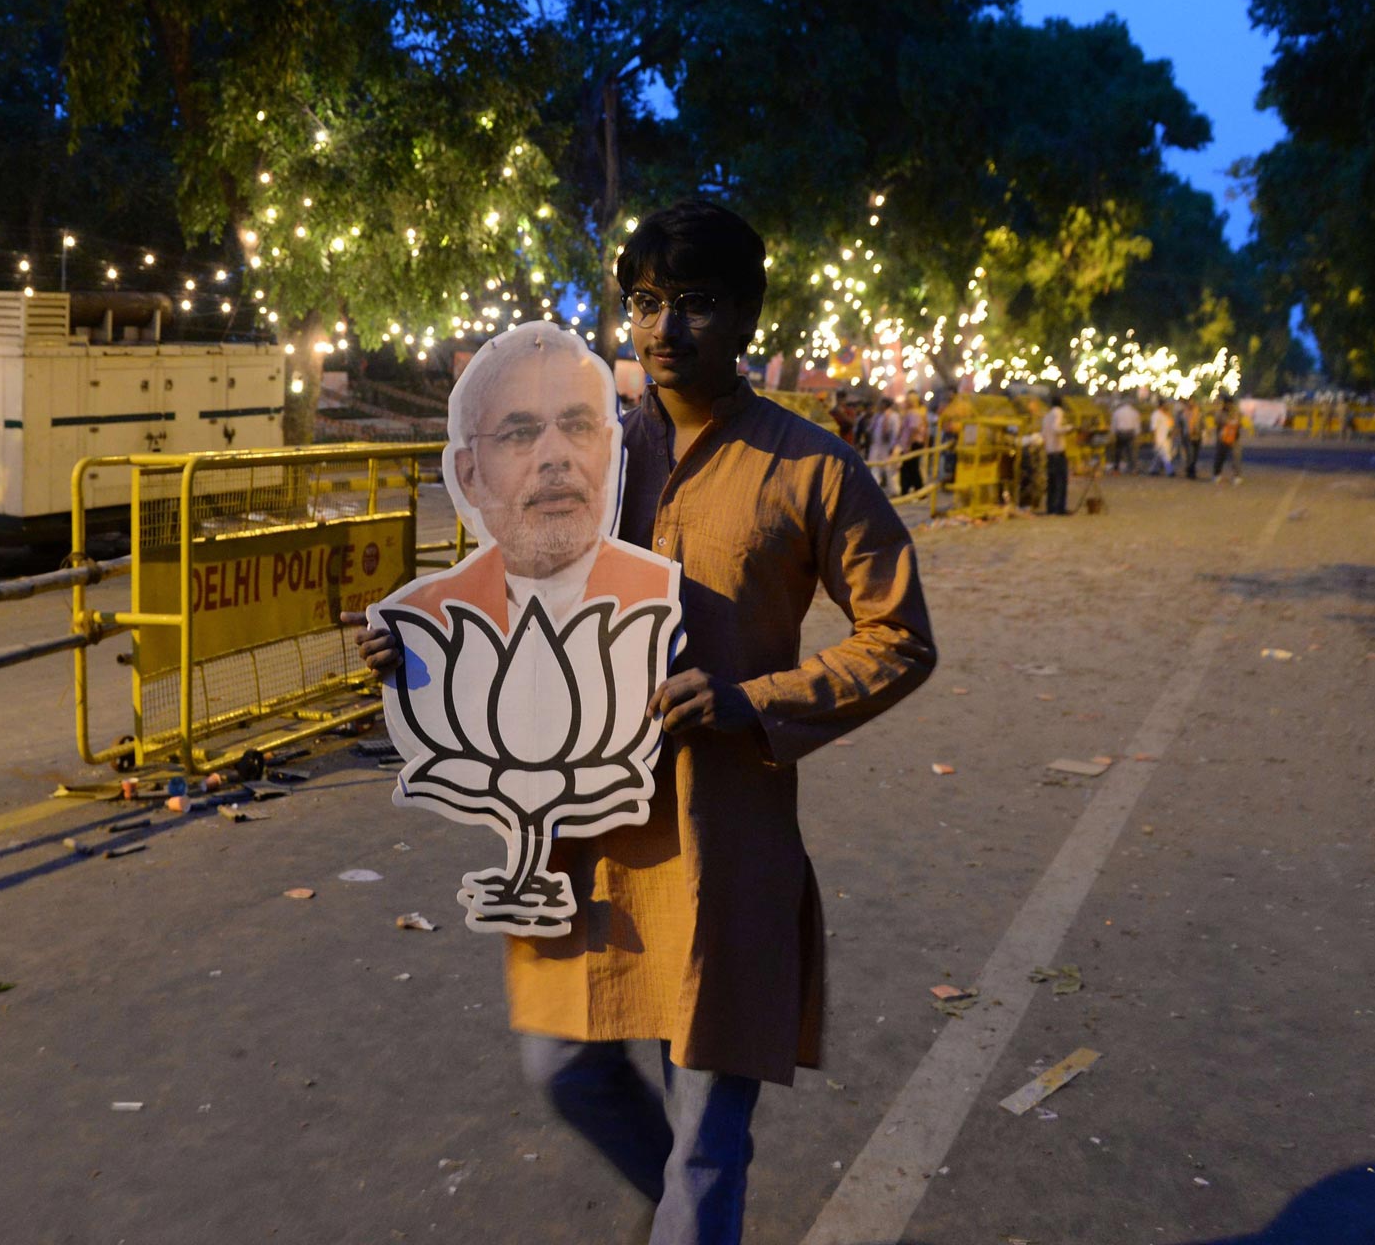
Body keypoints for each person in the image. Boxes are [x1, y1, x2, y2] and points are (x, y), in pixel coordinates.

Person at [348, 200, 936, 1245]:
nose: (663, 330)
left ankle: (689, 1214)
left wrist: (751, 701)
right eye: (645, 303)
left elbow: (899, 638)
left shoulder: (811, 469)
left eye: (695, 305)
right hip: (578, 828)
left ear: (749, 314)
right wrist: (420, 644)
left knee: (707, 1135)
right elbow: (513, 588)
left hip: (724, 839)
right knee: (563, 1064)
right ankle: (683, 1212)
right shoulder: (590, 454)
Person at [391, 321, 678, 625]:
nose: (555, 455)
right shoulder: (430, 622)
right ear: (469, 473)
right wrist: (396, 646)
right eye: (521, 433)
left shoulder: (660, 602)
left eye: (579, 427)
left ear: (608, 452)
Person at [1042, 391, 1070, 515]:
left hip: (1049, 451)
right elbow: (1056, 428)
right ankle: (1060, 508)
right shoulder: (1058, 412)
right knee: (1061, 481)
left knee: (1052, 481)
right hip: (1058, 451)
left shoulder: (1047, 415)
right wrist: (1069, 428)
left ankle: (1051, 507)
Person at [867, 395, 901, 495]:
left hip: (887, 446)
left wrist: (892, 446)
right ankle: (874, 489)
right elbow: (871, 429)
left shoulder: (893, 416)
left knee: (890, 469)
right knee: (874, 467)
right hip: (876, 446)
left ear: (885, 405)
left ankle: (894, 491)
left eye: (880, 403)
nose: (878, 405)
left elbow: (895, 432)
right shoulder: (877, 416)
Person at [897, 392, 928, 495]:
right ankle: (913, 489)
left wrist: (908, 445)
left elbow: (913, 430)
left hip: (912, 444)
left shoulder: (913, 413)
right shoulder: (914, 413)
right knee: (910, 467)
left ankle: (913, 490)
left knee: (910, 468)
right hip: (912, 443)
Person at [1212, 398, 1244, 484]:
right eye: (1227, 404)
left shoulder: (1237, 413)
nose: (1229, 406)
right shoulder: (1220, 413)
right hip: (1222, 439)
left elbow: (1240, 424)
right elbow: (1217, 422)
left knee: (1236, 458)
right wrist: (1227, 422)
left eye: (1231, 404)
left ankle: (1237, 476)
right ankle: (1217, 474)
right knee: (1220, 457)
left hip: (1234, 439)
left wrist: (1236, 422)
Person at [1109, 395, 1141, 474]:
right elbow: (1137, 425)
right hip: (1130, 433)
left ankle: (1116, 469)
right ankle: (1133, 469)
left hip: (1120, 433)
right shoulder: (1134, 412)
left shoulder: (1117, 412)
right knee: (1131, 452)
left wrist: (1112, 433)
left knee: (1118, 451)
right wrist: (1137, 434)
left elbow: (1114, 424)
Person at [1148, 399, 1177, 477]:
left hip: (1167, 439)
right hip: (1159, 439)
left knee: (1159, 456)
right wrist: (1154, 439)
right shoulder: (1156, 414)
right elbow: (1154, 428)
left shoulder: (1167, 415)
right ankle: (1170, 471)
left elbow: (1171, 426)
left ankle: (1153, 470)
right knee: (1165, 456)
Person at [1179, 398, 1204, 480]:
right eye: (1190, 403)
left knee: (1195, 455)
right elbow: (1181, 426)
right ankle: (1191, 472)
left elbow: (1203, 424)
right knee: (1190, 454)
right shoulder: (1183, 414)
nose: (1191, 404)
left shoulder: (1199, 413)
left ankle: (1190, 469)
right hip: (1188, 437)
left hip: (1197, 436)